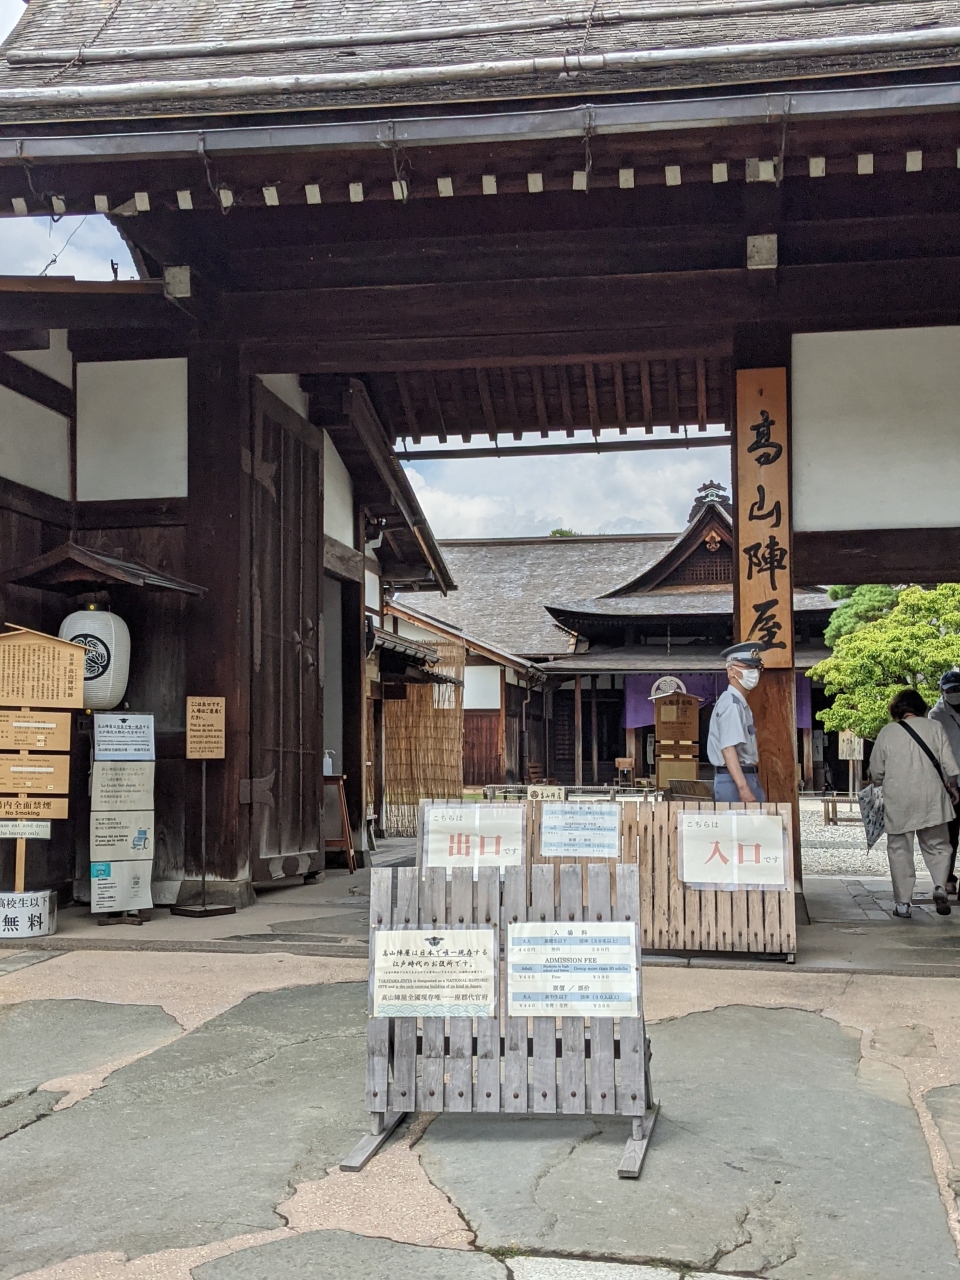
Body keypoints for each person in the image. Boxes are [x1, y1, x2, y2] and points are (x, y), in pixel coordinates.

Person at [868, 687, 960, 918]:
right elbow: (949, 765)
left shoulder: (888, 732)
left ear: (896, 710)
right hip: (932, 797)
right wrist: (953, 787)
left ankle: (903, 903)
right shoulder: (935, 727)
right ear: (920, 707)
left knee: (899, 849)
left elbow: (876, 772)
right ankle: (939, 886)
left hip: (899, 798)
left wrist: (881, 781)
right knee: (938, 845)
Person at [708, 642, 766, 804]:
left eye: (756, 667)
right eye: (748, 667)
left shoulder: (737, 702)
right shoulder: (732, 704)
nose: (753, 672)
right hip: (735, 780)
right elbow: (728, 749)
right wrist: (743, 789)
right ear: (731, 671)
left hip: (740, 776)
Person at [928, 669, 960, 895]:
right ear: (942, 691)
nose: (955, 693)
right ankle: (948, 878)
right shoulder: (936, 715)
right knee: (950, 834)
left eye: (958, 689)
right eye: (951, 690)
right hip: (949, 783)